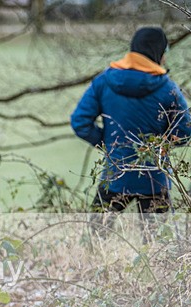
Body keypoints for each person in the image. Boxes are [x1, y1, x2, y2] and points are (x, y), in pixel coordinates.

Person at [71, 27, 191, 213]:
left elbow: (80, 122)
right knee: (159, 240)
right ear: (158, 52)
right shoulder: (168, 88)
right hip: (155, 180)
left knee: (95, 237)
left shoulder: (103, 81)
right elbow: (185, 131)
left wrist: (109, 144)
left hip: (115, 175)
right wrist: (161, 145)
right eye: (165, 52)